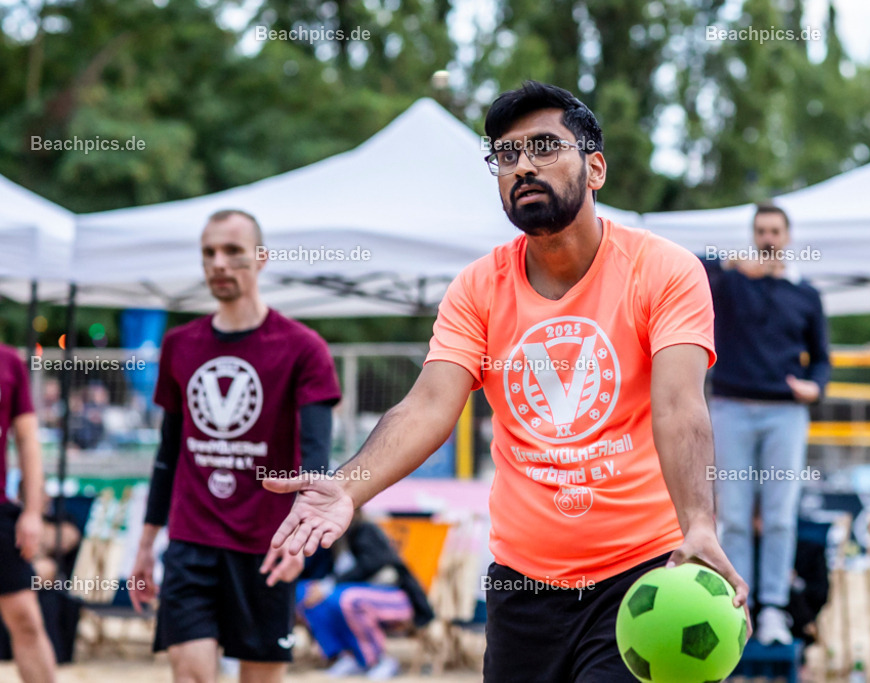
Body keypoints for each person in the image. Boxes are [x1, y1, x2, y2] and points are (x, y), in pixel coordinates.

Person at [263, 81, 750, 682]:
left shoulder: (664, 270)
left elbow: (679, 407)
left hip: (640, 577)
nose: (522, 165)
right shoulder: (477, 287)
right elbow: (426, 409)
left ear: (595, 167)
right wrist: (349, 486)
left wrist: (700, 523)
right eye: (505, 154)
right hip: (522, 587)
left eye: (545, 146)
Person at [128, 209, 342, 683]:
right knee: (193, 673)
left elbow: (316, 461)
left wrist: (299, 544)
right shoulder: (180, 345)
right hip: (191, 542)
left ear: (261, 259)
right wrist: (145, 546)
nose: (218, 263)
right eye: (209, 253)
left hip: (266, 546)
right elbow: (167, 455)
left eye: (232, 252)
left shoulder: (303, 348)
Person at [701, 203, 831, 645]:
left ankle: (774, 607)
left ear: (788, 236)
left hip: (785, 412)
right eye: (760, 230)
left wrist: (816, 387)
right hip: (732, 407)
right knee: (734, 515)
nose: (768, 237)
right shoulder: (731, 282)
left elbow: (823, 359)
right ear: (752, 234)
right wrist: (730, 262)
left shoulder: (805, 294)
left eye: (775, 230)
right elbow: (689, 267)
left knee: (779, 515)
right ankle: (741, 604)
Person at [295, 512, 433, 679]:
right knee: (304, 593)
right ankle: (346, 655)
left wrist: (328, 586)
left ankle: (379, 660)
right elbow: (314, 571)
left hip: (395, 597)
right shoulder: (331, 538)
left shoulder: (365, 529)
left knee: (346, 599)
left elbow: (371, 564)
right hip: (344, 592)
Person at [0, 343, 58, 682]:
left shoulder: (9, 362)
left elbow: (28, 440)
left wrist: (33, 511)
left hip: (2, 511)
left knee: (26, 617)